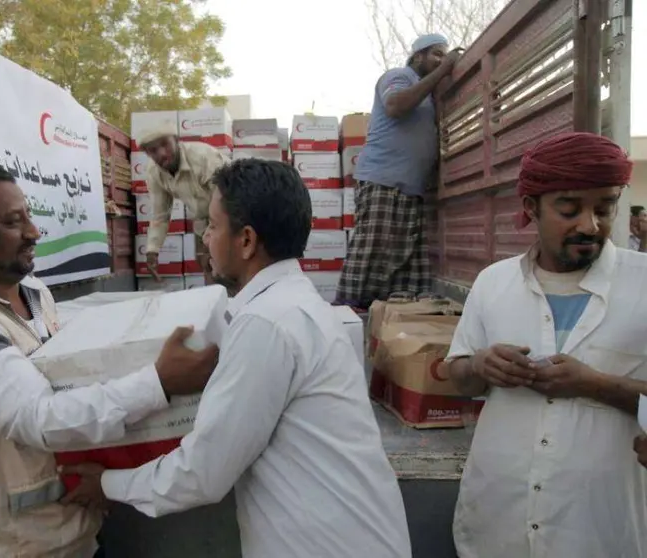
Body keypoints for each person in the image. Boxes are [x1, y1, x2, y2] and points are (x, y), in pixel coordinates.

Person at [63, 159, 412, 558]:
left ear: (246, 241)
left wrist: (107, 483)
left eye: (211, 226)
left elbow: (204, 473)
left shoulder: (267, 323)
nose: (205, 237)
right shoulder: (292, 304)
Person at [0, 163, 218, 557]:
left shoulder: (34, 293)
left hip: (69, 536)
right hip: (4, 548)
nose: (34, 232)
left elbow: (71, 380)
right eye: (13, 222)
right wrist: (159, 383)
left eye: (30, 216)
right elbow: (44, 419)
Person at [445, 132, 646, 558]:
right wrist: (480, 365)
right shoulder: (493, 283)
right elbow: (457, 377)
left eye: (605, 208)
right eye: (569, 209)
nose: (589, 225)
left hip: (600, 534)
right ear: (530, 207)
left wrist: (594, 384)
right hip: (497, 528)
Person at [335, 33, 460, 309]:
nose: (442, 59)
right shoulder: (399, 77)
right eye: (436, 54)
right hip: (383, 182)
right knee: (371, 255)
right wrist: (443, 70)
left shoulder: (426, 92)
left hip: (410, 189)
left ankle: (391, 323)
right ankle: (348, 316)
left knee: (405, 265)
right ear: (418, 56)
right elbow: (395, 106)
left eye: (444, 55)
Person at [140, 125, 228, 284]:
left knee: (228, 266)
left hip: (233, 214)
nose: (161, 154)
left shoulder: (204, 157)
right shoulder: (154, 173)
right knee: (207, 266)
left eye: (165, 144)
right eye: (153, 150)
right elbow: (161, 215)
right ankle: (217, 302)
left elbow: (226, 202)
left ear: (176, 140)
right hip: (203, 220)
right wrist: (152, 250)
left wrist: (214, 240)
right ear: (147, 154)